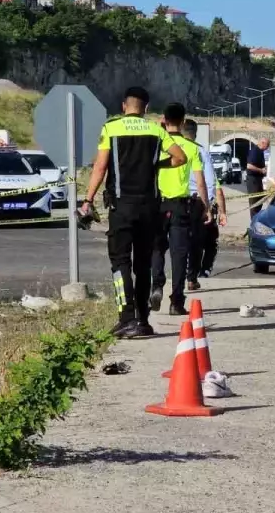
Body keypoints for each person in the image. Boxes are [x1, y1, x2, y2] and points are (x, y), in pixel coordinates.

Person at [79, 87, 193, 338]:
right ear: (146, 108)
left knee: (120, 262)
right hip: (149, 208)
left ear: (124, 106)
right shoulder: (155, 130)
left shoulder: (111, 128)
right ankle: (143, 321)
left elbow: (100, 167)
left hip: (121, 206)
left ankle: (126, 317)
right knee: (143, 265)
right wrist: (157, 165)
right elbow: (180, 158)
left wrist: (88, 199)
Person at [150, 105, 209, 316]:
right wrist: (206, 207)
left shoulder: (158, 145)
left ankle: (156, 285)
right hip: (181, 206)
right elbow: (200, 182)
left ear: (164, 120)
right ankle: (176, 302)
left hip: (158, 204)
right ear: (183, 122)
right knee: (179, 254)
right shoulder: (191, 148)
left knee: (157, 248)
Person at [185, 118, 227, 284]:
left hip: (175, 202)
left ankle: (180, 276)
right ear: (195, 134)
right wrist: (215, 210)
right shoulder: (201, 151)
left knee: (180, 242)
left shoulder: (171, 147)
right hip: (198, 203)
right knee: (205, 241)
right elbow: (212, 186)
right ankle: (198, 273)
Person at [245, 137, 268, 217]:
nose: (268, 147)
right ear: (262, 143)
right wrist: (261, 170)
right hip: (253, 180)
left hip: (258, 180)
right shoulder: (255, 151)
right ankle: (254, 220)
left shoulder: (260, 152)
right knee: (254, 203)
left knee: (260, 200)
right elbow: (249, 166)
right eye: (267, 145)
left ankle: (256, 217)